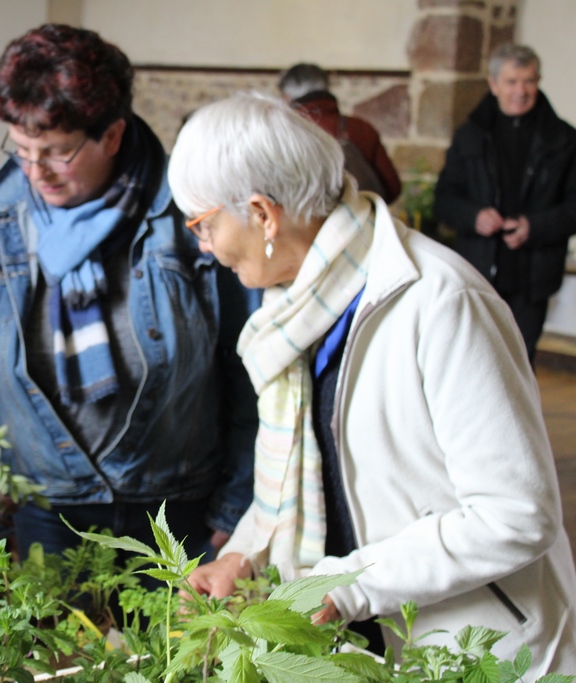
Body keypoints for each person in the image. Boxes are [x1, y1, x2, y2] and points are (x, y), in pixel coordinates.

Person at [170, 91, 576, 673]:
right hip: (361, 642)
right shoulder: (290, 312)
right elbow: (294, 474)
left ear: (262, 213)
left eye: (203, 225)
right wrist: (242, 557)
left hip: (473, 649)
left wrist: (348, 585)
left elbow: (516, 514)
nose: (204, 248)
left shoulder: (440, 301)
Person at [0, 24, 257, 564]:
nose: (34, 171)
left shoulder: (186, 216)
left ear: (112, 136)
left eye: (57, 152)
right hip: (44, 501)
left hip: (174, 503)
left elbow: (245, 368)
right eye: (20, 150)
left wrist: (235, 506)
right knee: (56, 650)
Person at [434, 44, 576, 365]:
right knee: (473, 362)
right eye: (512, 82)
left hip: (533, 275)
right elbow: (444, 200)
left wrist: (534, 227)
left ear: (538, 81)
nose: (520, 91)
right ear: (494, 83)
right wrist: (473, 217)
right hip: (478, 273)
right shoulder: (469, 135)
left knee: (519, 365)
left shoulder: (564, 139)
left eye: (528, 81)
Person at [278, 62, 401, 203]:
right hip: (361, 218)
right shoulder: (361, 128)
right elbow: (392, 187)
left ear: (287, 97)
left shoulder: (284, 133)